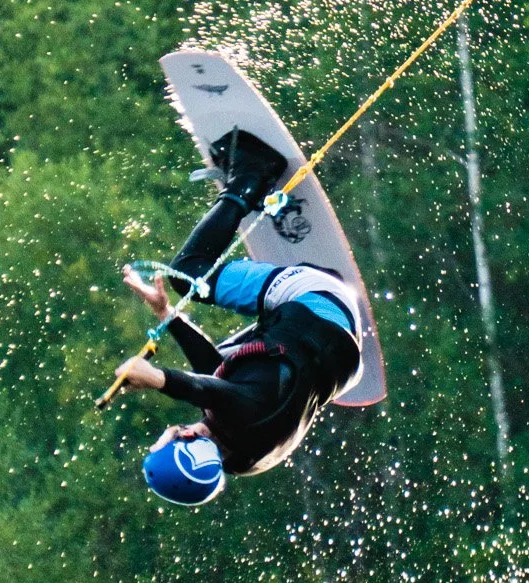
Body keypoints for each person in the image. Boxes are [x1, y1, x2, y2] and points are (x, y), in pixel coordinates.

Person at [114, 130, 364, 505]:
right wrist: (156, 378)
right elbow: (203, 388)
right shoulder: (237, 416)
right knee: (191, 276)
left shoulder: (242, 454)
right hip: (316, 300)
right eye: (167, 439)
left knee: (234, 356)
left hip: (340, 352)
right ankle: (251, 173)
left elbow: (215, 374)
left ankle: (292, 274)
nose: (169, 432)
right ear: (182, 441)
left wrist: (166, 314)